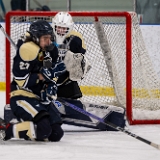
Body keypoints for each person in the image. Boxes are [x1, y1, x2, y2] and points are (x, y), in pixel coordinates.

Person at [51, 12, 126, 131]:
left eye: (64, 28)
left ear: (69, 27)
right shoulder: (46, 37)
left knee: (74, 62)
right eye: (58, 27)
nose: (61, 30)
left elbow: (79, 62)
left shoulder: (75, 39)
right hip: (47, 79)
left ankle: (67, 100)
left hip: (66, 80)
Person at [0, 20, 65, 141]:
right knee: (44, 130)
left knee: (56, 133)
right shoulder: (27, 49)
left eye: (49, 38)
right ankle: (5, 129)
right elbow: (21, 81)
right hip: (22, 96)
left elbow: (52, 73)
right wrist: (42, 76)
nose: (48, 41)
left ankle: (31, 129)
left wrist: (50, 85)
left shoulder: (49, 50)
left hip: (39, 97)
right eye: (45, 38)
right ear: (36, 38)